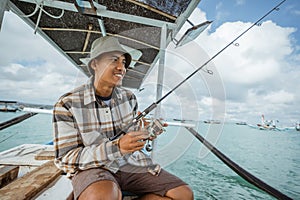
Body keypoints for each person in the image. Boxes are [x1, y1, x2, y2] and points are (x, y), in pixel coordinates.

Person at [53, 36, 194, 200]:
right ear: (94, 64)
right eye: (114, 60)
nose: (122, 68)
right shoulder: (67, 104)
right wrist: (117, 147)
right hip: (94, 168)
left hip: (131, 163)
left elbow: (131, 131)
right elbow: (66, 159)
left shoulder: (129, 98)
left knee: (184, 194)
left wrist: (146, 132)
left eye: (124, 63)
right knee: (105, 195)